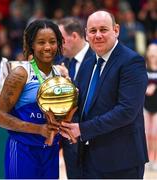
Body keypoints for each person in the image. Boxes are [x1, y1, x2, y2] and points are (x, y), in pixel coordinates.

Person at [60, 10, 149, 179]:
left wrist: (82, 129)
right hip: (88, 158)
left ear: (116, 30)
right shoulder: (88, 65)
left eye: (103, 29)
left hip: (122, 161)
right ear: (86, 35)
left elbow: (126, 111)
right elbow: (79, 105)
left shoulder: (132, 62)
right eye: (93, 31)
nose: (98, 35)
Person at [0, 19, 64, 179]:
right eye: (41, 42)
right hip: (23, 150)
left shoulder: (59, 75)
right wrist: (39, 129)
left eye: (52, 42)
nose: (47, 47)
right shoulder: (20, 74)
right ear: (32, 44)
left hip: (50, 151)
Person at [56, 17, 94, 179]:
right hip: (69, 142)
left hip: (92, 138)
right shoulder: (63, 63)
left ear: (75, 36)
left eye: (61, 40)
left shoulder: (97, 59)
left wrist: (68, 81)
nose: (59, 45)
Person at [144, 43, 157, 170]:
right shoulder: (144, 68)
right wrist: (146, 89)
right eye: (151, 51)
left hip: (156, 106)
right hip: (146, 105)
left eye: (155, 51)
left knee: (155, 134)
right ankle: (147, 158)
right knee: (147, 133)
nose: (153, 54)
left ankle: (155, 159)